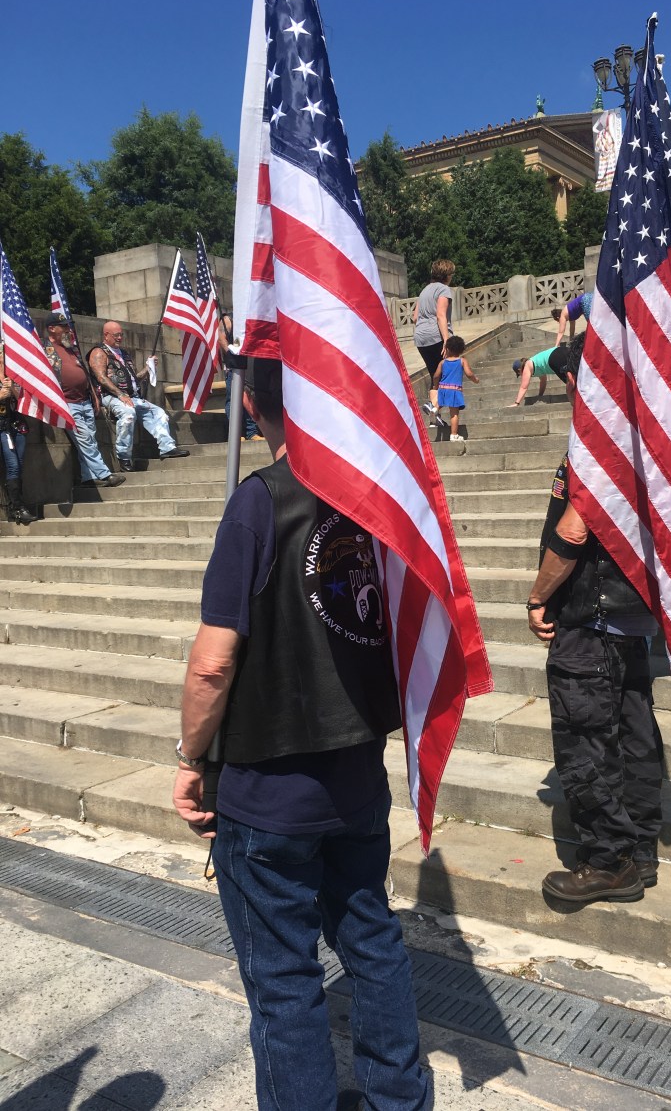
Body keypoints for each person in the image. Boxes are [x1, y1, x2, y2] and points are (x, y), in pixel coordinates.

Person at [172, 358, 427, 1111]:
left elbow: (212, 664)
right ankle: (399, 1100)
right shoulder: (372, 500)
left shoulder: (257, 503)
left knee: (283, 981)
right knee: (372, 942)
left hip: (267, 783)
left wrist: (189, 758)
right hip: (354, 768)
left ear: (251, 405)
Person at [527, 453, 663, 905]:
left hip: (592, 617)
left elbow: (573, 529)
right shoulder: (642, 436)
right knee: (634, 734)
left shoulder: (600, 435)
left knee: (584, 740)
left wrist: (537, 596)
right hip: (631, 617)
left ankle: (609, 861)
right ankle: (640, 848)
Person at [88, 322, 189, 472]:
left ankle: (167, 448)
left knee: (159, 413)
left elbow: (134, 379)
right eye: (116, 335)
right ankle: (124, 457)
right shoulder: (99, 352)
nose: (120, 338)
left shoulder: (124, 354)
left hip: (132, 396)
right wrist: (120, 394)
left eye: (121, 334)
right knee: (128, 414)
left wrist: (148, 368)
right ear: (106, 335)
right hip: (110, 396)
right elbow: (101, 378)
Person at [43, 315, 125, 489]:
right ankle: (104, 474)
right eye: (63, 326)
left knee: (90, 440)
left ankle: (87, 477)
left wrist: (94, 396)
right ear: (52, 328)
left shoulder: (70, 348)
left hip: (84, 401)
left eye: (68, 326)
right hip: (66, 403)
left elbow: (85, 374)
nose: (67, 329)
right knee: (85, 438)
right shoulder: (45, 348)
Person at [414, 258, 454, 424]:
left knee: (435, 376)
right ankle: (433, 405)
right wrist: (446, 339)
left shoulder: (424, 291)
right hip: (436, 336)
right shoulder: (443, 290)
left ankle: (433, 417)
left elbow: (415, 317)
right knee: (450, 375)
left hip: (421, 338)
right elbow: (440, 315)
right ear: (447, 275)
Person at [0, 349, 35, 525]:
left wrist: (11, 387)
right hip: (2, 426)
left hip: (17, 424)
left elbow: (23, 400)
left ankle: (18, 504)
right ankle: (17, 507)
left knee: (19, 465)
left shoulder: (14, 375)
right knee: (12, 465)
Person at [219, 313, 262, 442]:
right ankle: (236, 433)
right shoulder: (228, 318)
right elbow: (221, 338)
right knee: (233, 400)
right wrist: (232, 355)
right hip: (234, 366)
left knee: (249, 398)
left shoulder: (250, 316)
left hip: (249, 365)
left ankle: (251, 432)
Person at [432, 334, 479, 441]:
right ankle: (453, 435)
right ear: (461, 349)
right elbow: (469, 374)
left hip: (443, 387)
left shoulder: (443, 362)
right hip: (455, 389)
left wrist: (436, 385)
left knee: (441, 400)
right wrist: (475, 380)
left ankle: (435, 408)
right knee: (454, 414)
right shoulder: (462, 361)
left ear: (447, 349)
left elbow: (436, 376)